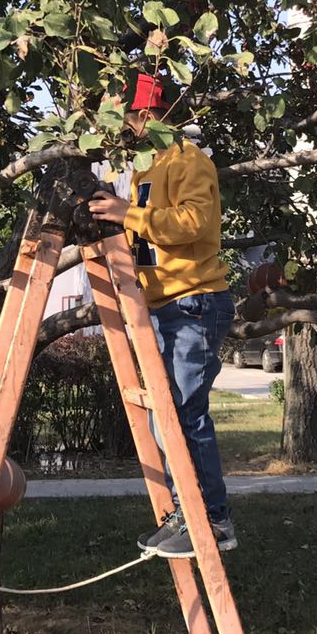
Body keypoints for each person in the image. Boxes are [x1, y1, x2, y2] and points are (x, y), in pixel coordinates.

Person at [88, 72, 237, 559]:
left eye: (126, 117)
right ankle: (183, 510)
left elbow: (195, 224)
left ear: (147, 115)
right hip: (162, 304)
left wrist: (128, 213)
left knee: (185, 413)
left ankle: (212, 521)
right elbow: (143, 233)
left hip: (193, 301)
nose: (123, 128)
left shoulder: (188, 162)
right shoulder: (145, 169)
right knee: (164, 416)